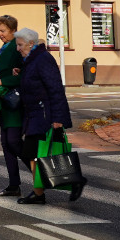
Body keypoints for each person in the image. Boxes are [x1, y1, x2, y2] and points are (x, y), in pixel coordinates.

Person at [13, 27, 80, 205]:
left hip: (44, 115)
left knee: (37, 153)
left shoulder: (43, 59)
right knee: (36, 154)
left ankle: (59, 186)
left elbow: (56, 88)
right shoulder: (32, 59)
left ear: (31, 44)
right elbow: (35, 82)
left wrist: (58, 118)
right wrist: (22, 73)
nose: (18, 49)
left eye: (20, 45)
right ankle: (41, 192)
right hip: (35, 115)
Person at [0, 14, 25, 197]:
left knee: (14, 143)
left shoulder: (18, 46)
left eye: (3, 31)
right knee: (6, 145)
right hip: (5, 104)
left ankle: (40, 173)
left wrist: (1, 81)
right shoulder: (5, 47)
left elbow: (24, 74)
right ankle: (13, 185)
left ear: (13, 30)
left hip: (15, 103)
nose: (0, 34)